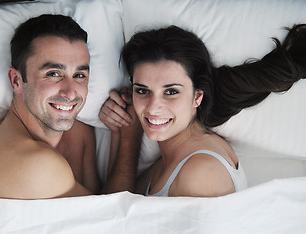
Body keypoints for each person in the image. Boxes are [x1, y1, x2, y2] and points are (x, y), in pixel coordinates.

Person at [99, 24, 306, 197]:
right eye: (143, 90)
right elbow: (119, 207)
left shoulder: (200, 173)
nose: (153, 107)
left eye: (171, 92)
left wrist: (128, 137)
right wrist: (123, 130)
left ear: (197, 96)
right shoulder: (173, 156)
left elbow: (113, 219)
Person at [0, 14, 141, 199]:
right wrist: (131, 138)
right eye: (53, 73)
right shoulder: (34, 163)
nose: (70, 93)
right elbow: (114, 218)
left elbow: (101, 199)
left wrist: (120, 130)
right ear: (16, 81)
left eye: (79, 75)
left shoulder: (77, 132)